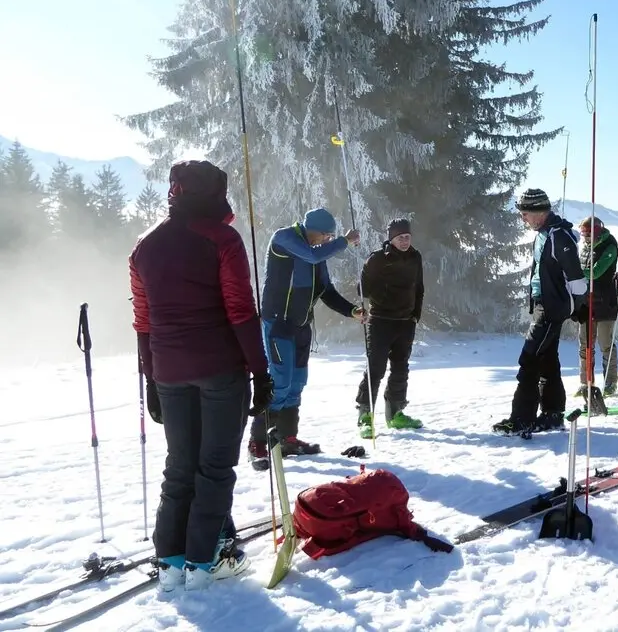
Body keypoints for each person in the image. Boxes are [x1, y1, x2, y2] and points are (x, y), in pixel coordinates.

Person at [129, 160, 273, 591]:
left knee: (180, 465)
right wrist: (261, 372)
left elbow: (143, 319)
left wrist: (151, 378)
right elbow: (241, 312)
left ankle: (171, 562)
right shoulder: (223, 239)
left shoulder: (145, 245)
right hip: (219, 369)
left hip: (169, 371)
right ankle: (205, 559)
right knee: (214, 467)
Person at [248, 207, 364, 468]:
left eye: (329, 237)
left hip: (301, 325)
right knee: (280, 382)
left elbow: (326, 290)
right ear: (312, 229)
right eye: (325, 235)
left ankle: (289, 439)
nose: (326, 240)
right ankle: (257, 443)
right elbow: (311, 256)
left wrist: (352, 311)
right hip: (278, 323)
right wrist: (344, 241)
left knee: (297, 383)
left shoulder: (317, 256)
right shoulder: (285, 238)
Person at [492, 188, 588, 437]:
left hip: (551, 309)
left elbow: (576, 277)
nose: (523, 218)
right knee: (547, 360)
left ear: (539, 212)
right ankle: (553, 414)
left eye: (525, 214)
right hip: (543, 306)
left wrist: (580, 306)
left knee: (529, 359)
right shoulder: (544, 234)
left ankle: (521, 419)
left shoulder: (559, 237)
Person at [355, 218, 425, 438]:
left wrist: (415, 316)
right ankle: (365, 417)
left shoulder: (415, 257)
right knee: (375, 368)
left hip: (405, 322)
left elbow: (419, 288)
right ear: (391, 239)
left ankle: (395, 414)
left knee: (401, 368)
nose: (404, 241)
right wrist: (364, 272)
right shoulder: (377, 259)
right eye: (400, 238)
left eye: (407, 237)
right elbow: (362, 291)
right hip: (380, 322)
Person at [575, 216, 618, 398]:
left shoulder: (609, 246)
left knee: (605, 343)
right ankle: (585, 382)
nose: (585, 238)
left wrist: (573, 272)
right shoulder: (585, 247)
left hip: (605, 301)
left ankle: (610, 382)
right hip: (587, 301)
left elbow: (597, 271)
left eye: (588, 234)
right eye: (583, 234)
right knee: (585, 343)